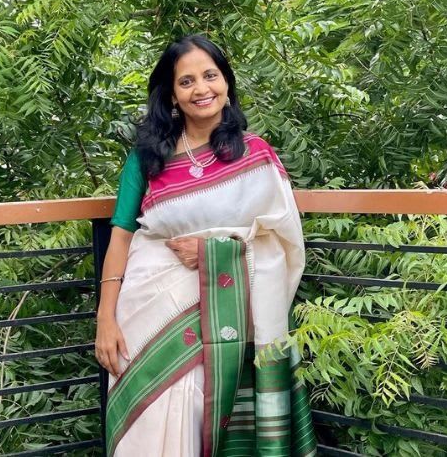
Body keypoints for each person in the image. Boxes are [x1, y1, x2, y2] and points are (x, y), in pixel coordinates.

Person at [95, 34, 317, 455]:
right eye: (187, 81)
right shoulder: (147, 158)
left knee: (206, 418)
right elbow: (122, 233)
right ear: (172, 96)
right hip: (147, 313)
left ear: (227, 84)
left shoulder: (256, 155)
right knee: (148, 426)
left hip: (225, 318)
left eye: (210, 76)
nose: (202, 89)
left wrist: (217, 253)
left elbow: (283, 242)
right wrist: (105, 317)